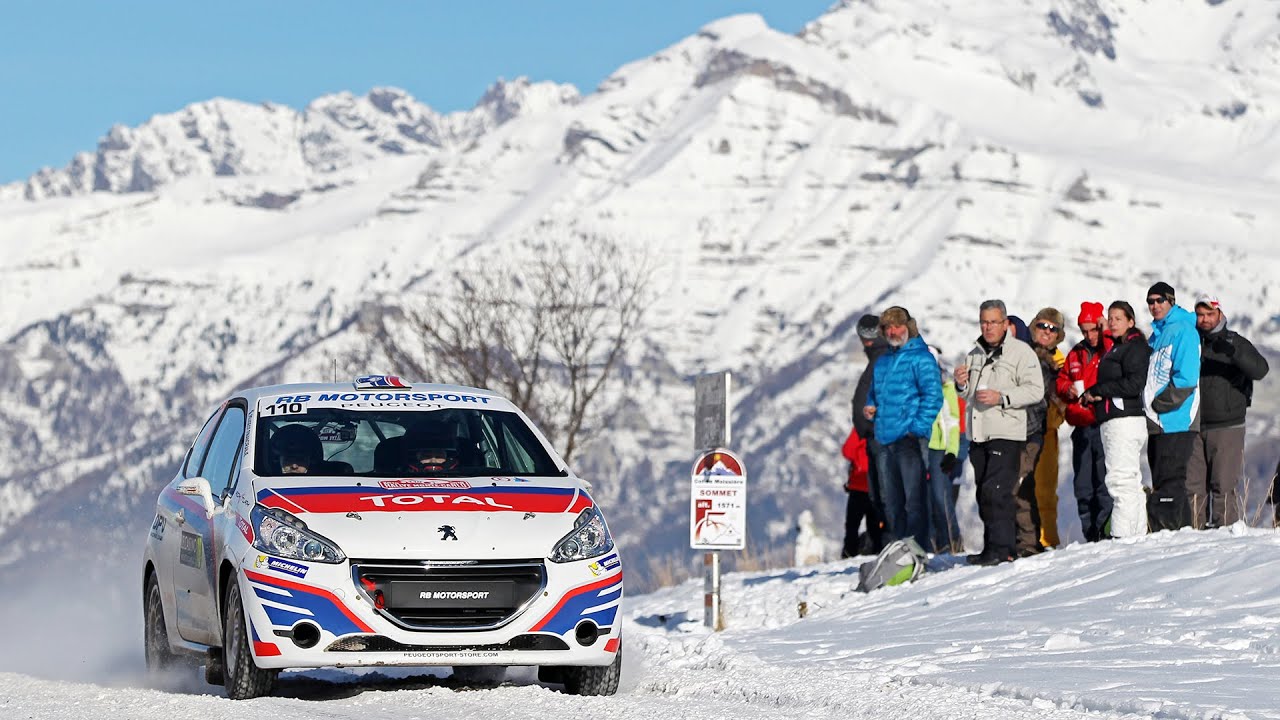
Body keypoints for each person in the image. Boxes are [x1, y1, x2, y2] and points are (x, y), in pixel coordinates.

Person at [954, 299, 1044, 565]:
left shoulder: (1021, 352)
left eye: (993, 322)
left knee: (997, 491)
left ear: (1005, 323)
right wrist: (961, 385)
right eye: (984, 322)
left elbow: (1035, 390)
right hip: (978, 433)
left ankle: (1004, 550)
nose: (988, 327)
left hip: (1006, 432)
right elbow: (969, 394)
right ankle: (991, 547)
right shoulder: (975, 353)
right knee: (983, 493)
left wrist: (1002, 398)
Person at [1186, 295, 1269, 528]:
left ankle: (1224, 537)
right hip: (1194, 424)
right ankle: (1192, 538)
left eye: (1210, 314)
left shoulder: (1235, 342)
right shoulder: (1191, 342)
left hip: (1227, 425)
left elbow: (1260, 370)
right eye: (1200, 315)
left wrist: (1233, 353)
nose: (1204, 319)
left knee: (1223, 487)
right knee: (1193, 489)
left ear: (1220, 314)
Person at [864, 306, 943, 549]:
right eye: (888, 327)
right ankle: (899, 550)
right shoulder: (883, 362)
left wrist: (916, 429)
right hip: (884, 438)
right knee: (891, 502)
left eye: (897, 326)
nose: (893, 332)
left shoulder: (922, 358)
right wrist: (870, 406)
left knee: (914, 500)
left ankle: (917, 550)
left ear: (908, 327)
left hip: (910, 439)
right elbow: (874, 393)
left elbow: (933, 397)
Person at [1083, 301, 1151, 537]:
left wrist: (1099, 390)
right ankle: (1136, 533)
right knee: (1130, 480)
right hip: (1119, 419)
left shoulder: (1134, 347)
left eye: (1118, 318)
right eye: (1110, 318)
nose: (1112, 322)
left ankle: (1122, 537)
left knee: (1119, 481)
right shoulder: (1120, 346)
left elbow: (1134, 383)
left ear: (1131, 321)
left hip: (1123, 420)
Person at [1143, 281, 1201, 531]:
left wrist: (1160, 404)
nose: (1155, 305)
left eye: (1160, 300)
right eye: (1150, 301)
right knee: (1162, 481)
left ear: (1171, 301)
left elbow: (1186, 378)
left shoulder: (1183, 330)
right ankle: (1170, 531)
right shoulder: (1158, 334)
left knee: (1171, 482)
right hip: (1158, 422)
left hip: (1176, 419)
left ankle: (1174, 535)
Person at [1056, 301, 1114, 542]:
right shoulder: (1076, 353)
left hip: (1103, 424)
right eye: (1085, 330)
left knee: (1103, 483)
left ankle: (1105, 533)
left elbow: (1117, 356)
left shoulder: (1108, 349)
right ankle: (1090, 536)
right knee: (1082, 486)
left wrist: (1107, 331)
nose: (1090, 335)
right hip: (1080, 426)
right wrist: (1067, 388)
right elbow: (1061, 380)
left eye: (1094, 329)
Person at [846, 313, 889, 556]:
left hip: (879, 434)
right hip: (874, 435)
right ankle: (878, 545)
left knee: (882, 496)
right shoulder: (878, 357)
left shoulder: (882, 358)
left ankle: (883, 545)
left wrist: (872, 427)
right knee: (877, 497)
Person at [1007, 315, 1049, 556]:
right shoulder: (1003, 361)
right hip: (1007, 435)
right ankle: (1015, 541)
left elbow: (1038, 398)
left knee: (1021, 488)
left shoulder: (1033, 362)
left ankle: (1029, 543)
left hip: (1029, 433)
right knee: (1009, 489)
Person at [1030, 308, 1067, 549]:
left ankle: (1047, 541)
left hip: (1046, 432)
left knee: (1045, 490)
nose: (1047, 331)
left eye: (1053, 328)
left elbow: (1063, 405)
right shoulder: (1021, 353)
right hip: (1017, 431)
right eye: (1042, 325)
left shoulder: (1061, 363)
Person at [924, 346, 961, 554]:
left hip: (938, 448)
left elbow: (952, 421)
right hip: (918, 447)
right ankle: (926, 545)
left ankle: (947, 544)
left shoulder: (946, 388)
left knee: (941, 498)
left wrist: (952, 451)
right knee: (920, 498)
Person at [840, 425, 873, 556]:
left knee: (852, 526)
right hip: (878, 486)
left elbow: (847, 451)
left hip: (858, 485)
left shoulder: (860, 427)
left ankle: (849, 553)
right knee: (875, 525)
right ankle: (876, 552)